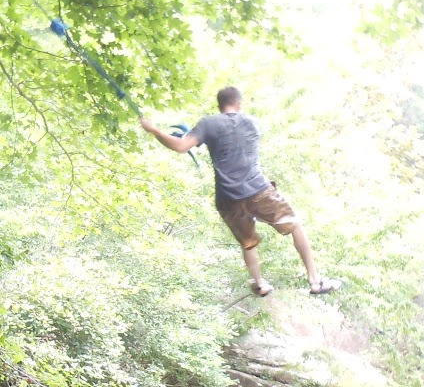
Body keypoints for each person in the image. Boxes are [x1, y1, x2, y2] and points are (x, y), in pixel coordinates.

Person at [138, 86, 340, 296]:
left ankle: (260, 283)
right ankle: (315, 280)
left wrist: (154, 130)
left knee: (248, 242)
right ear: (239, 103)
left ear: (219, 106)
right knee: (295, 226)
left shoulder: (208, 124)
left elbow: (180, 146)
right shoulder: (252, 123)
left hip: (227, 198)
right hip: (258, 190)